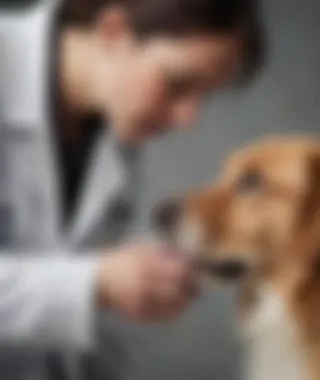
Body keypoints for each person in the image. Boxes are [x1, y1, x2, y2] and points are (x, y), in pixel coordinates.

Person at [0, 0, 265, 379]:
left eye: (203, 96)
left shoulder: (115, 125)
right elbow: (82, 286)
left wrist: (110, 287)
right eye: (176, 84)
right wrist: (95, 283)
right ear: (112, 32)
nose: (187, 119)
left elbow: (87, 330)